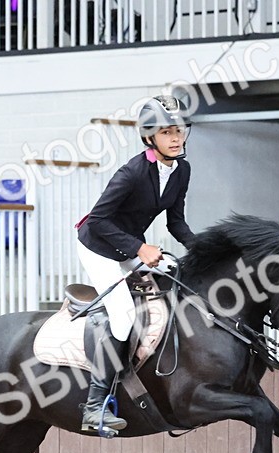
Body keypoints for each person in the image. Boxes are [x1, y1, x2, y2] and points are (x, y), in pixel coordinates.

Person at [75, 94, 197, 434]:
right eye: (167, 132)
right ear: (150, 137)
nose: (176, 138)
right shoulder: (130, 173)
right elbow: (98, 220)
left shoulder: (181, 170)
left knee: (173, 289)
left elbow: (177, 224)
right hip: (97, 246)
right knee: (124, 315)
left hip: (129, 248)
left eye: (180, 130)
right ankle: (95, 406)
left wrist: (203, 249)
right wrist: (139, 248)